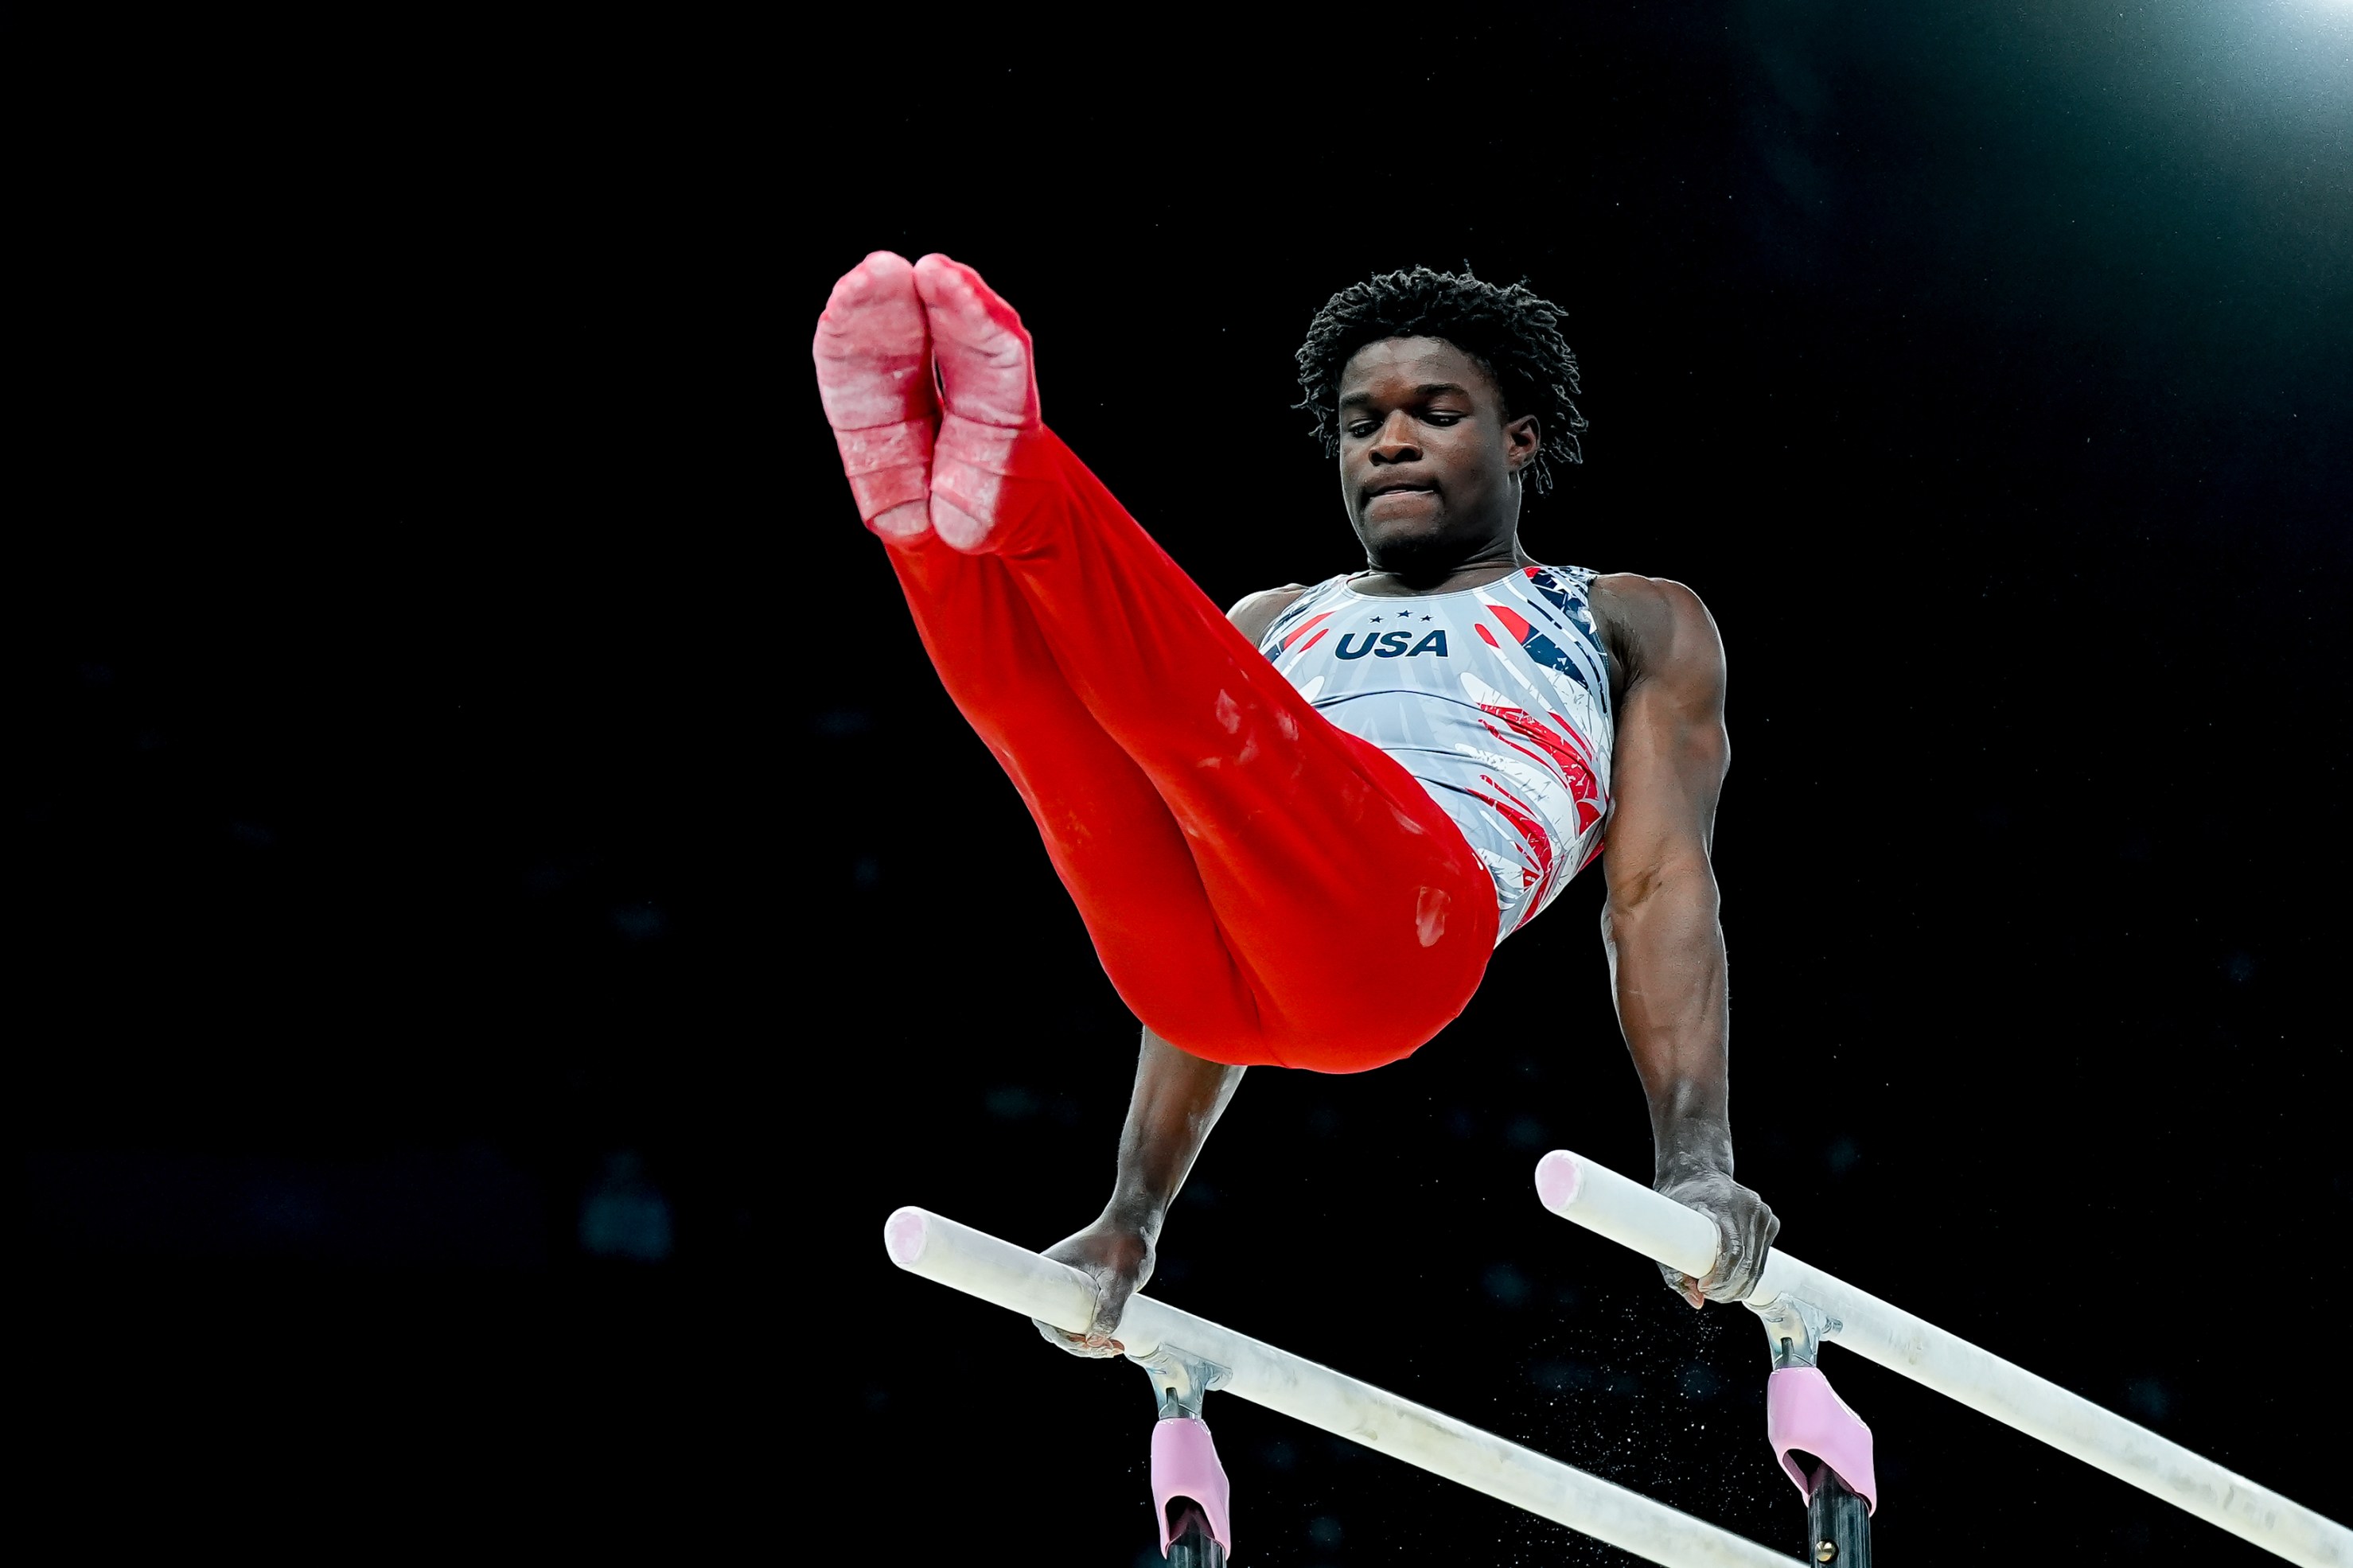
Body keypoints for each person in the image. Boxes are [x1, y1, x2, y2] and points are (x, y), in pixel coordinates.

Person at [812, 251, 1776, 1353]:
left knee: (1191, 730)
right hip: (1201, 981)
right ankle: (927, 525)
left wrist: (1695, 1163)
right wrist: (1132, 1216)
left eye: (1435, 411)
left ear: (1521, 438)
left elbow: (1655, 889)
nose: (1390, 441)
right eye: (1360, 422)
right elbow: (1211, 814)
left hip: (1404, 934)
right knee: (1059, 752)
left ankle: (1017, 476)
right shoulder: (1276, 617)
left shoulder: (1624, 618)